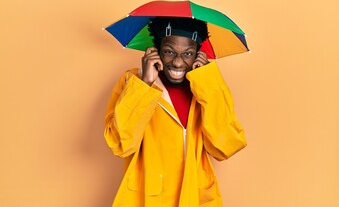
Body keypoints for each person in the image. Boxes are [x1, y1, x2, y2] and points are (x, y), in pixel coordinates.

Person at [104, 17, 246, 206]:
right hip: (147, 197)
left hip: (195, 197)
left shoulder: (208, 85)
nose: (178, 63)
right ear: (156, 51)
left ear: (198, 54)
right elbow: (120, 144)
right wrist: (144, 84)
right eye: (169, 51)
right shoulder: (133, 82)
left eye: (187, 53)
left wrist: (207, 82)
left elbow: (226, 146)